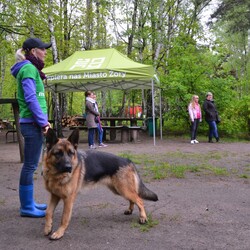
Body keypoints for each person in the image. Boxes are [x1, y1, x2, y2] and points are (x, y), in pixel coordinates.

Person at [10, 37, 52, 217]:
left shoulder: (31, 69)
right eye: (43, 49)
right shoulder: (28, 68)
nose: (45, 52)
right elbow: (30, 98)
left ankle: (30, 202)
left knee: (31, 165)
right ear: (34, 51)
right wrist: (43, 122)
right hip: (33, 123)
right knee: (29, 166)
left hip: (35, 123)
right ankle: (26, 207)